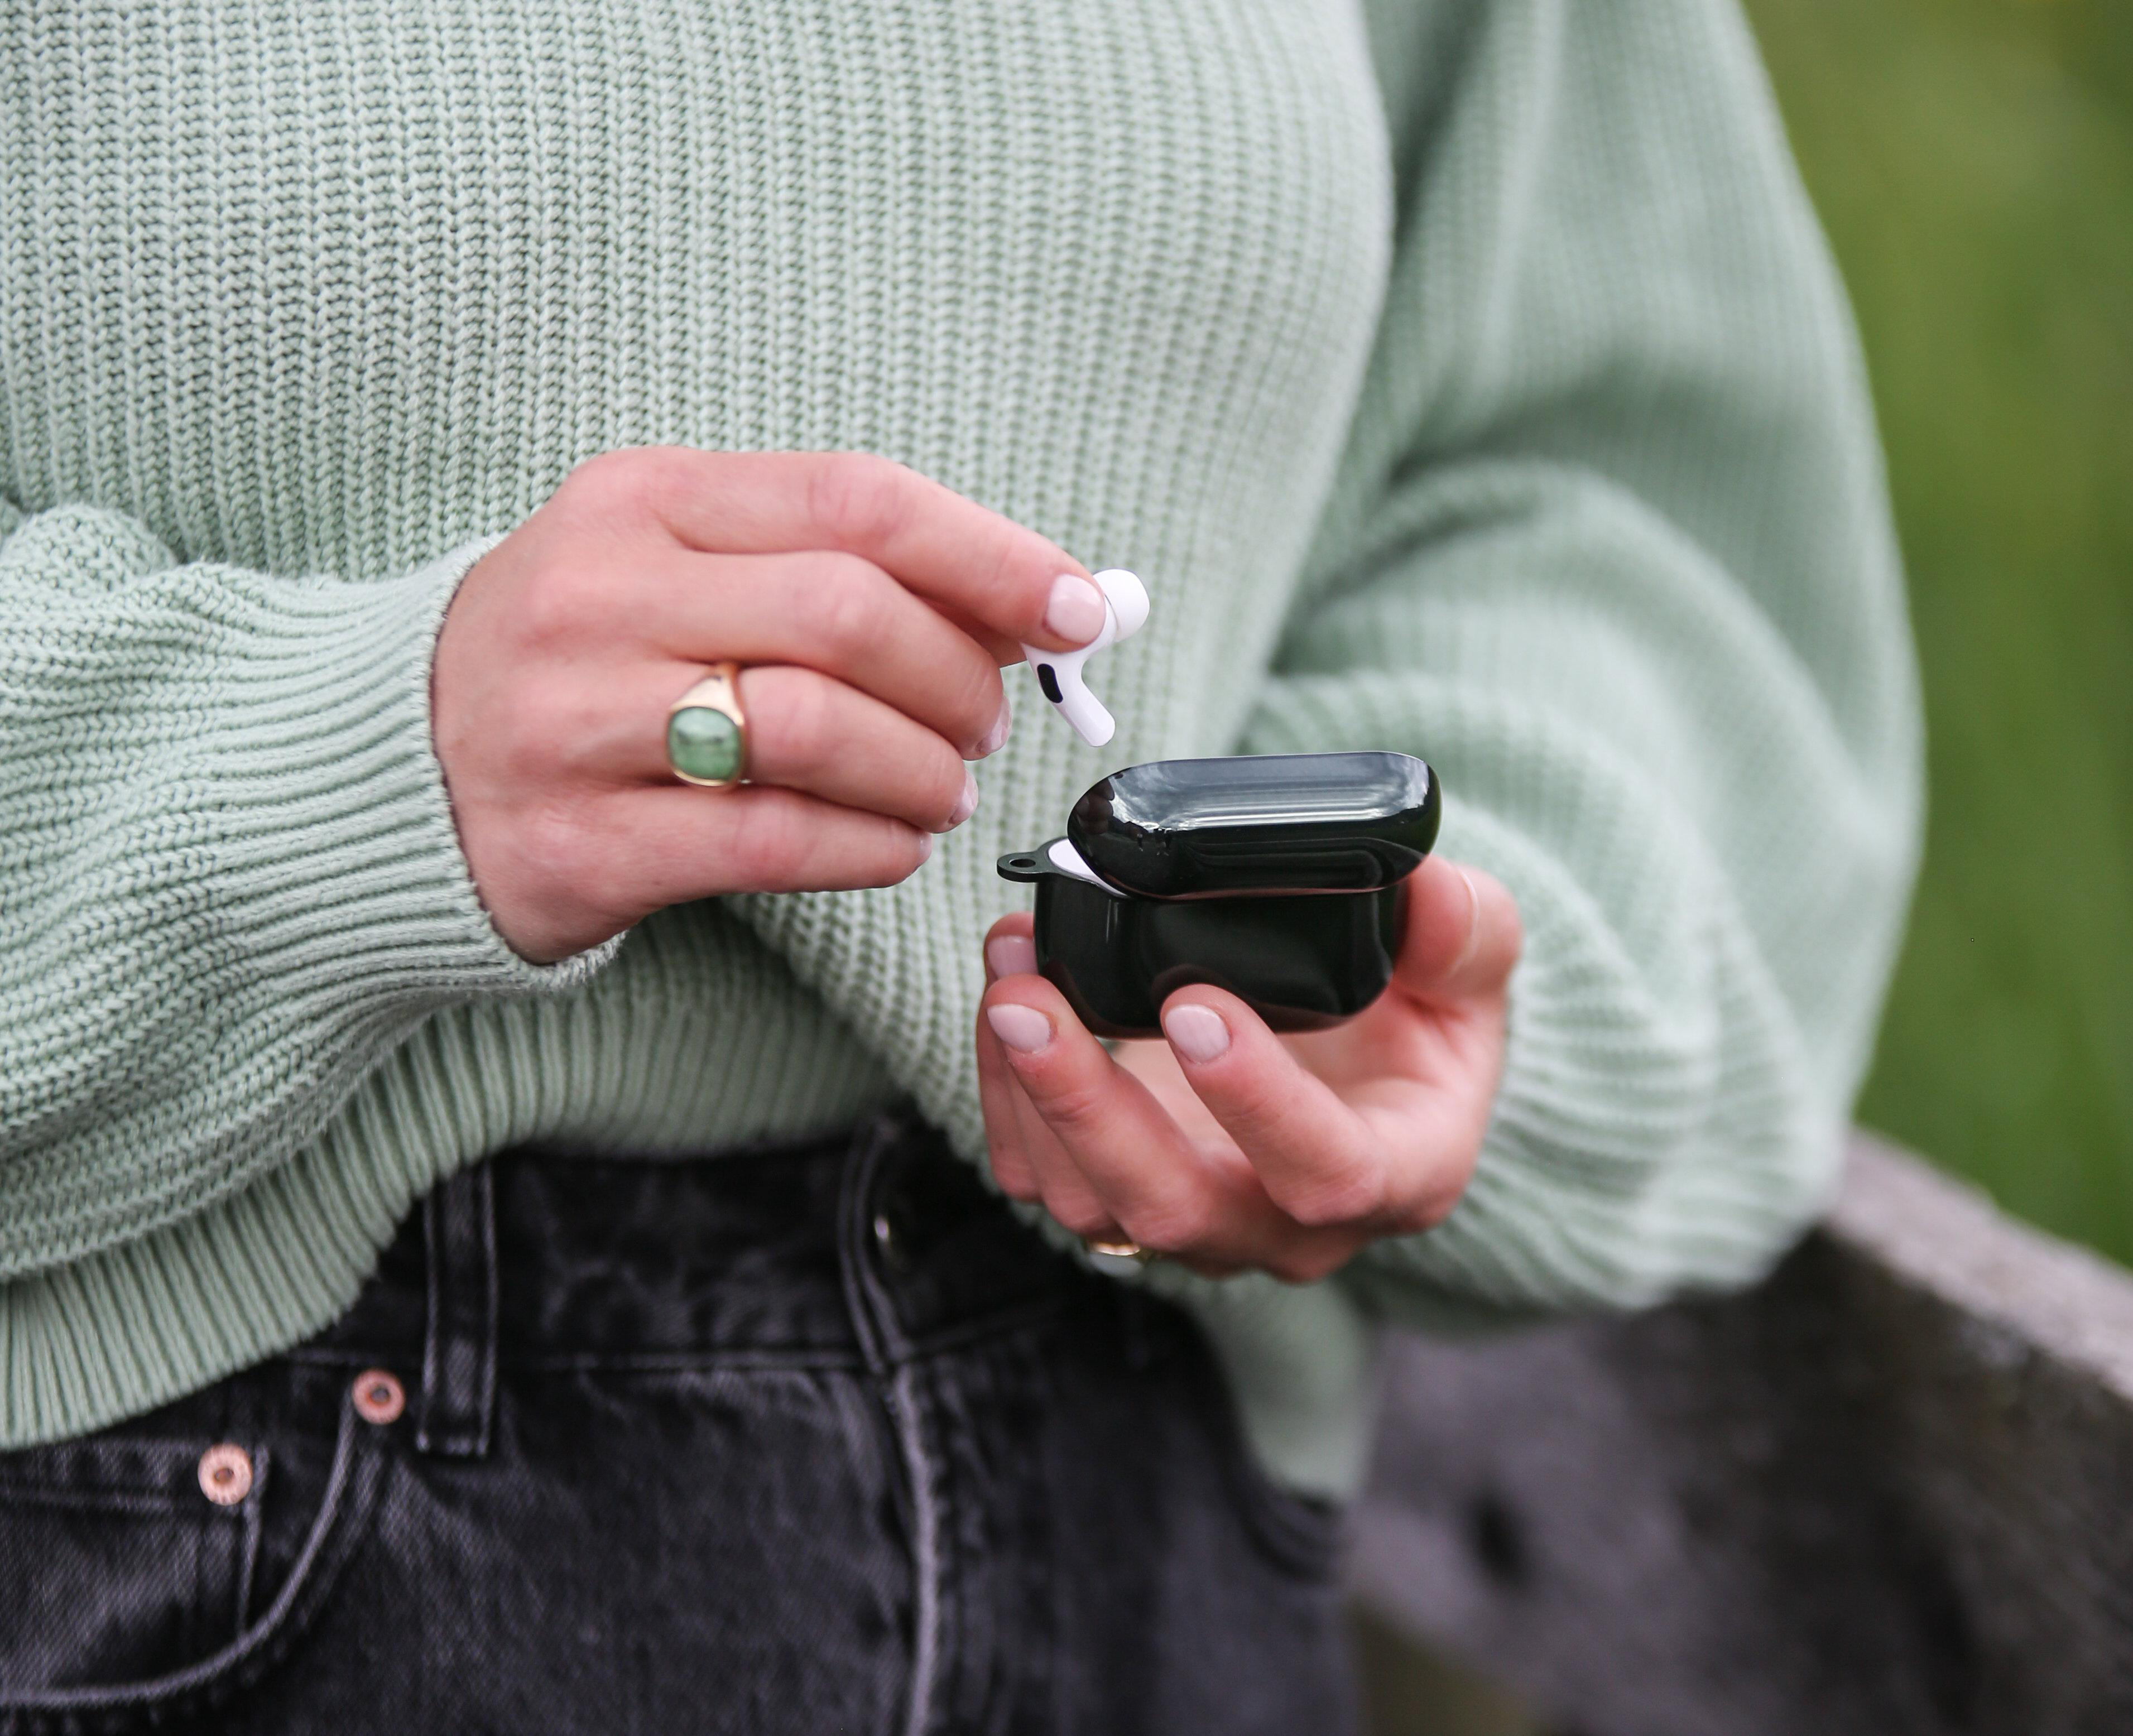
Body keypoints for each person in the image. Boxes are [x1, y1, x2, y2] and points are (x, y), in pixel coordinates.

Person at [0, 0, 1920, 1728]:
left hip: (1142, 1509)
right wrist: (328, 772)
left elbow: (1616, 485)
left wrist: (1423, 967)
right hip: (184, 1496)